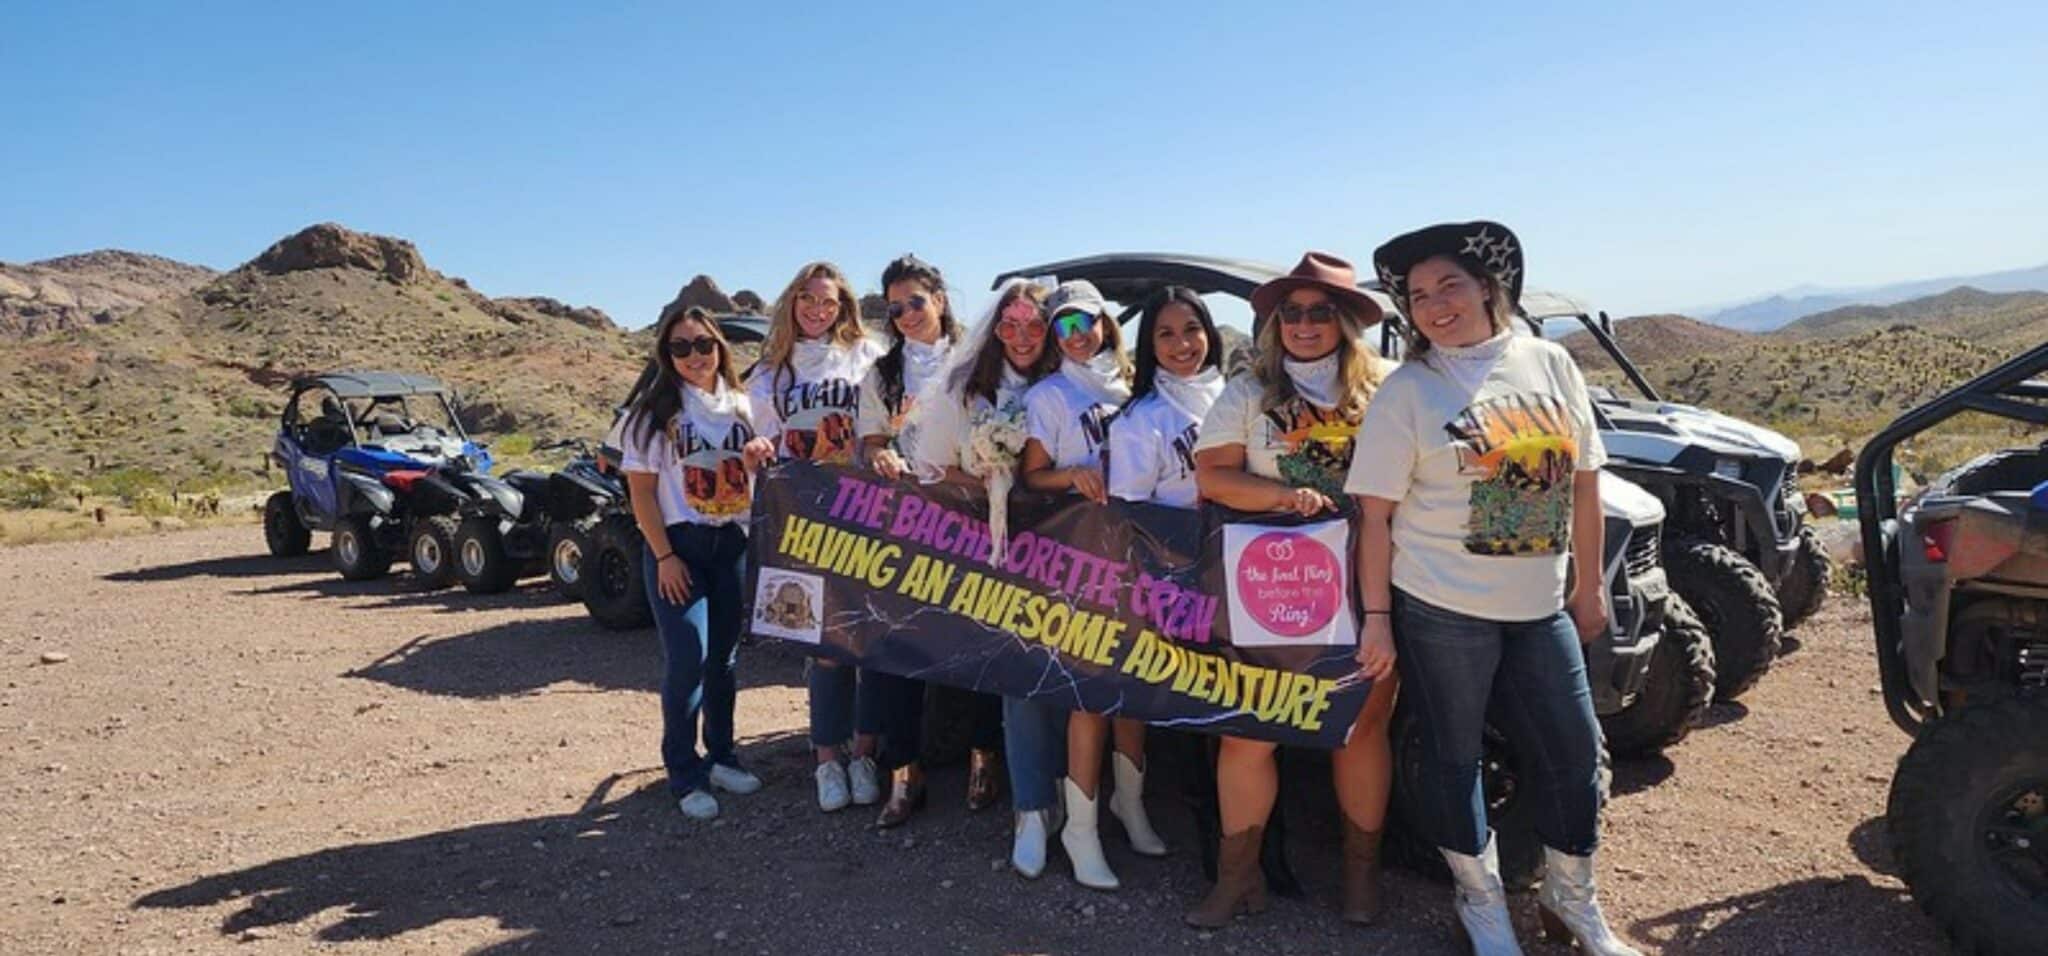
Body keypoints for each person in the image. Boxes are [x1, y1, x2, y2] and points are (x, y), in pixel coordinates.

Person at [1349, 221, 1637, 956]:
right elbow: (1375, 517)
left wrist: (1590, 585)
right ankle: (1480, 904)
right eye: (1419, 295)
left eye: (1450, 284)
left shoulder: (1549, 361)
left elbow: (1585, 482)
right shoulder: (1407, 392)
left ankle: (1571, 898)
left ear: (1487, 287)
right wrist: (1377, 617)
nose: (1436, 304)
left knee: (1574, 751)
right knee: (1454, 757)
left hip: (1540, 606)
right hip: (1443, 608)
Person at [1186, 252, 1399, 929]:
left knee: (1360, 729)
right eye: (1291, 313)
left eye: (1320, 312)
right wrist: (1284, 497)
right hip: (1274, 583)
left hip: (1368, 584)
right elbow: (1213, 476)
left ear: (1345, 321)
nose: (1305, 325)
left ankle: (1361, 878)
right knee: (1250, 732)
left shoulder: (1388, 388)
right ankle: (1237, 878)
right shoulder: (1249, 391)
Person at [904, 278, 1062, 877]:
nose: (1022, 336)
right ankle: (1030, 808)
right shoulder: (965, 390)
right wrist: (992, 477)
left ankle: (1074, 798)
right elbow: (932, 467)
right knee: (1019, 672)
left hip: (1067, 550)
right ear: (995, 331)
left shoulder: (1068, 383)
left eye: (1034, 325)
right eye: (1010, 325)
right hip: (994, 552)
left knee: (1072, 671)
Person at [1015, 279, 1157, 891]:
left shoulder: (1135, 385)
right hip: (1081, 554)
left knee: (1137, 682)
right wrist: (1072, 475)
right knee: (1090, 689)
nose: (1077, 336)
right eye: (1064, 327)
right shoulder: (1050, 394)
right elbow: (1032, 476)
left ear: (1106, 324)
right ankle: (1081, 828)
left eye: (1086, 322)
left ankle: (1131, 803)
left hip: (1140, 553)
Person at [856, 254, 1004, 827]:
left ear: (939, 299)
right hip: (907, 528)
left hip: (971, 521)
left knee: (979, 638)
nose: (906, 316)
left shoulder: (979, 358)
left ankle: (984, 759)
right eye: (894, 309)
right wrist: (879, 454)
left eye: (915, 302)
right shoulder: (882, 374)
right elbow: (870, 439)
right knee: (900, 645)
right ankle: (904, 772)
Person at [616, 304, 775, 821]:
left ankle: (722, 755)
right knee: (687, 657)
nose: (694, 356)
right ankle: (684, 773)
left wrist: (754, 461)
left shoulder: (743, 407)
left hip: (730, 541)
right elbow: (641, 493)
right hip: (679, 545)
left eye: (703, 344)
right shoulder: (652, 414)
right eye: (680, 347)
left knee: (723, 660)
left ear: (719, 348)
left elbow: (755, 475)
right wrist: (663, 555)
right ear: (667, 355)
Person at [748, 261, 887, 813]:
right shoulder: (771, 372)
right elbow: (759, 439)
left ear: (843, 307)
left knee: (870, 640)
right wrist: (759, 450)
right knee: (824, 645)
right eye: (808, 298)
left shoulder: (867, 356)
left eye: (829, 301)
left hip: (865, 513)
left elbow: (889, 422)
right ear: (791, 301)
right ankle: (828, 759)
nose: (817, 310)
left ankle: (865, 754)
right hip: (805, 519)